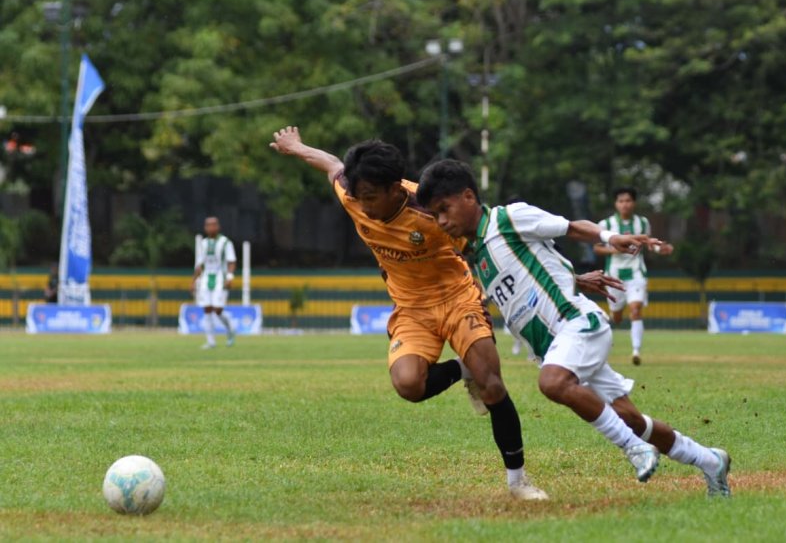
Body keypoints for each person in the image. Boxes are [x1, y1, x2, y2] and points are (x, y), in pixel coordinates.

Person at [416, 160, 731, 497]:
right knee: (632, 420)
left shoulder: (508, 218)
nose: (442, 221)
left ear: (468, 196)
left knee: (552, 382)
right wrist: (576, 278)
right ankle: (710, 461)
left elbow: (570, 228)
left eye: (444, 209)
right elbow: (538, 267)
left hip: (578, 324)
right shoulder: (474, 251)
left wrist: (611, 237)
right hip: (559, 346)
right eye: (435, 215)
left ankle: (634, 448)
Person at [269, 126, 548, 500]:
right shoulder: (352, 193)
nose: (363, 205)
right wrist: (296, 146)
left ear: (395, 189)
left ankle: (518, 483)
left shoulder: (430, 209)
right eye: (357, 195)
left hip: (457, 297)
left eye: (370, 197)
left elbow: (488, 242)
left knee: (493, 385)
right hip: (412, 309)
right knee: (409, 385)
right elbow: (331, 164)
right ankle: (464, 369)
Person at [594, 187, 673, 365]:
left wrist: (662, 249)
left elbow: (649, 244)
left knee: (636, 309)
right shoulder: (606, 224)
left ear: (634, 203)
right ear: (616, 204)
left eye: (628, 201)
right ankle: (615, 319)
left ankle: (636, 351)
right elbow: (596, 247)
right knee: (617, 316)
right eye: (621, 201)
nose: (625, 205)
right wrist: (613, 250)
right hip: (614, 274)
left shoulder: (642, 223)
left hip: (637, 272)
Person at [191, 217, 237, 349]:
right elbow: (200, 265)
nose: (210, 228)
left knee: (218, 310)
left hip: (220, 279)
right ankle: (211, 342)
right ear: (205, 227)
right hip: (206, 278)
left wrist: (229, 277)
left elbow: (231, 261)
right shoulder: (203, 243)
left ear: (218, 227)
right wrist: (193, 281)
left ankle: (230, 329)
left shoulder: (225, 242)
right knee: (206, 309)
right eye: (208, 225)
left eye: (213, 225)